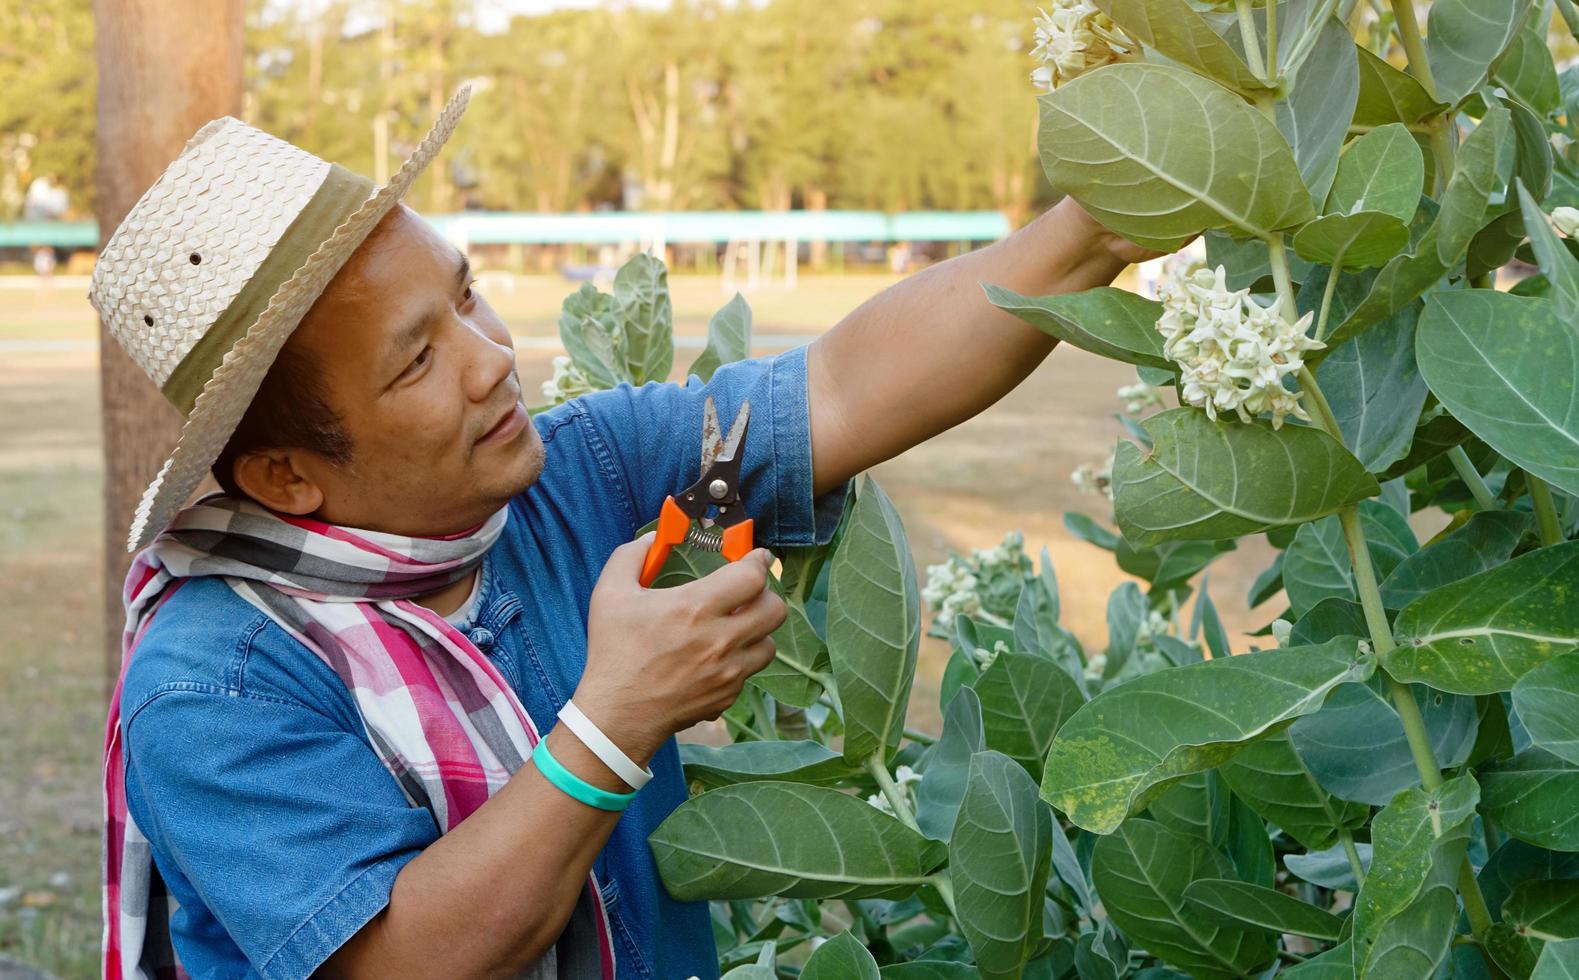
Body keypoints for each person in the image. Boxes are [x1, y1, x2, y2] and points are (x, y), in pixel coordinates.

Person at [90, 88, 1153, 979]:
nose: (491, 358)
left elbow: (835, 388)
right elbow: (404, 958)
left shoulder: (567, 469)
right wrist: (615, 718)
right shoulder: (211, 681)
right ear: (288, 475)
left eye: (468, 297)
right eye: (417, 360)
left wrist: (1094, 226)